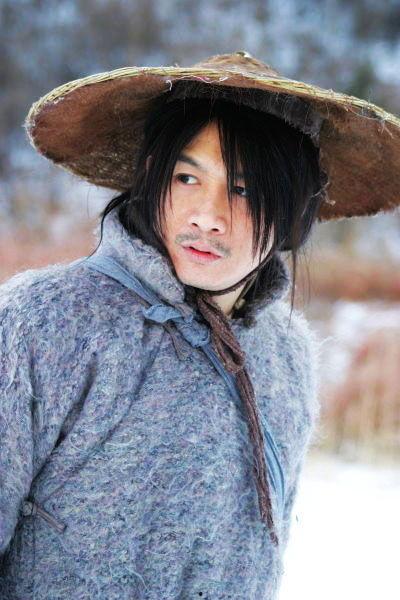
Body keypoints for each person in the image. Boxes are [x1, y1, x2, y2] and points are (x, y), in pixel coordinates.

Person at [1, 51, 399, 600]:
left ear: (294, 212)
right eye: (187, 177)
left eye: (245, 189)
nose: (207, 216)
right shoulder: (42, 322)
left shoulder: (287, 353)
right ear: (150, 177)